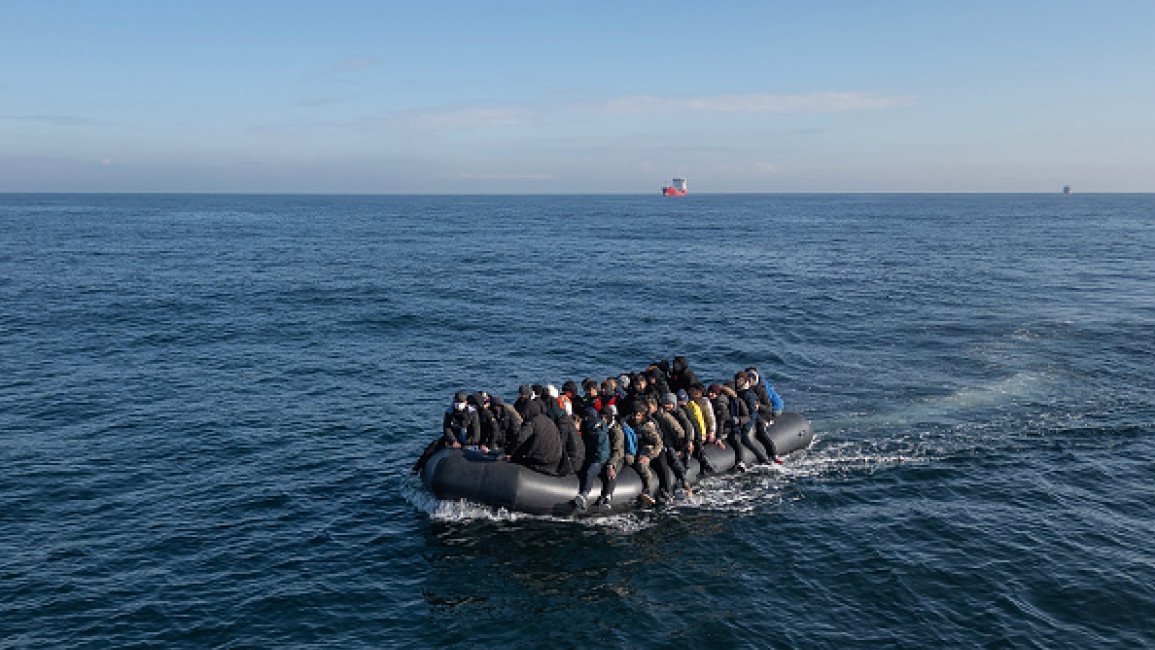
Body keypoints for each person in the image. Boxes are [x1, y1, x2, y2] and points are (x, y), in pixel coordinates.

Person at [411, 391, 480, 474]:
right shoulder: (449, 412)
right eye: (457, 401)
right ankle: (417, 468)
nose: (459, 404)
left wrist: (469, 443)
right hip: (455, 437)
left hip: (468, 438)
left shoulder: (472, 412)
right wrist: (453, 441)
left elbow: (475, 430)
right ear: (454, 401)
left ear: (466, 402)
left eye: (461, 402)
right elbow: (447, 428)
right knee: (434, 444)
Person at [508, 400, 564, 475]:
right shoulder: (548, 420)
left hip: (541, 461)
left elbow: (519, 439)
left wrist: (510, 453)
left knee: (516, 458)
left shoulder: (532, 422)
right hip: (555, 460)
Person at [653, 393, 692, 498]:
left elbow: (686, 429)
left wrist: (686, 443)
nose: (667, 406)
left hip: (679, 442)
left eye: (669, 404)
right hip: (667, 441)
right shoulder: (660, 415)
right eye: (665, 403)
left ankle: (684, 479)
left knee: (673, 456)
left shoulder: (678, 414)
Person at [573, 407, 610, 511]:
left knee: (590, 472)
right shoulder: (589, 428)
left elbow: (601, 450)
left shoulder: (598, 431)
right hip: (592, 456)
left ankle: (585, 494)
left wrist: (597, 460)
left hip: (599, 460)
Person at [627, 403, 663, 506]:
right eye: (633, 415)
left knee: (642, 466)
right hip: (636, 448)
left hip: (647, 449)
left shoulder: (647, 426)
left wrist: (649, 456)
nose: (635, 418)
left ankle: (648, 489)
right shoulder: (630, 424)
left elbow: (658, 443)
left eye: (638, 415)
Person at [556, 411, 584, 477]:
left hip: (572, 462)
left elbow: (561, 444)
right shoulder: (576, 433)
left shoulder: (566, 427)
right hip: (578, 461)